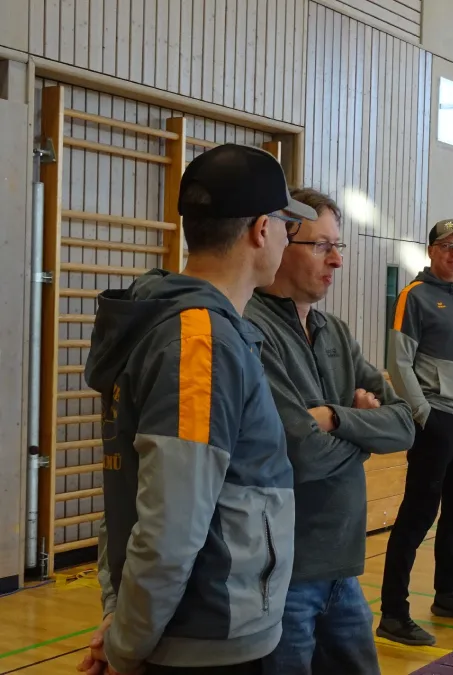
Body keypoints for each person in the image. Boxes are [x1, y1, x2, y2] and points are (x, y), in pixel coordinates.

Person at [78, 144, 317, 675]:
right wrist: (125, 646)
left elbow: (131, 495)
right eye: (286, 224)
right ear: (261, 230)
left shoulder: (185, 326)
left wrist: (122, 624)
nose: (286, 237)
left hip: (192, 630)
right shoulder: (199, 342)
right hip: (208, 636)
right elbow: (170, 524)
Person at [242, 188, 415, 675]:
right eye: (321, 246)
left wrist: (337, 418)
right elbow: (303, 454)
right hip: (282, 575)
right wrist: (365, 433)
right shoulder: (250, 329)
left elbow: (405, 425)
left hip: (343, 571)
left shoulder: (335, 331)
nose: (337, 259)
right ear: (278, 241)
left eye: (338, 246)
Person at [377, 219, 453, 646]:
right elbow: (398, 361)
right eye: (447, 246)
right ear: (431, 251)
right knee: (417, 516)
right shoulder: (414, 296)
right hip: (438, 421)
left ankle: (448, 594)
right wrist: (423, 414)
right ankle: (393, 613)